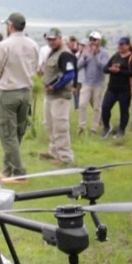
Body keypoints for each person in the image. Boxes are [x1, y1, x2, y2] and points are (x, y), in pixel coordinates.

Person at [0, 12, 39, 182]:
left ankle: (19, 173)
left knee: (7, 134)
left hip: (9, 92)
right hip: (26, 92)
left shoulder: (5, 45)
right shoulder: (33, 44)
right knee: (17, 133)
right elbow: (35, 67)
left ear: (11, 26)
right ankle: (7, 170)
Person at [39, 28, 77, 164]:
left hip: (60, 96)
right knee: (49, 125)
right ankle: (54, 151)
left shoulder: (65, 54)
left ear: (60, 38)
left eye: (53, 39)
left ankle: (65, 157)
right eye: (49, 39)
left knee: (60, 126)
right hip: (50, 95)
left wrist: (56, 86)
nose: (51, 42)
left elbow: (70, 74)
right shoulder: (53, 52)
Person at [101, 37, 132, 139]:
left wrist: (120, 71)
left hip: (125, 90)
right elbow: (105, 69)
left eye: (122, 44)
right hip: (112, 89)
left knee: (123, 111)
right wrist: (111, 69)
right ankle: (106, 127)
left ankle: (121, 130)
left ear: (128, 45)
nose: (120, 46)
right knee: (105, 107)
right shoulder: (115, 56)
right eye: (119, 44)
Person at [76, 31, 109, 135]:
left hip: (99, 84)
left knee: (96, 107)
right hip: (87, 83)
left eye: (95, 40)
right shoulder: (86, 52)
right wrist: (85, 56)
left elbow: (104, 67)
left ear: (99, 41)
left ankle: (94, 128)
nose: (92, 42)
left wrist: (96, 55)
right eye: (91, 39)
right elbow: (78, 66)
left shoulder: (104, 53)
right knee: (82, 104)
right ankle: (81, 126)